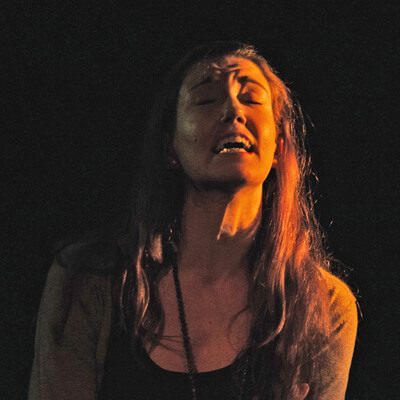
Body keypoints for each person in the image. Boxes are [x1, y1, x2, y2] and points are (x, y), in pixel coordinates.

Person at [29, 41, 358, 400]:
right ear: (170, 148)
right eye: (205, 100)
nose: (233, 110)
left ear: (279, 146)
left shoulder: (324, 306)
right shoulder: (89, 278)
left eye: (251, 98)